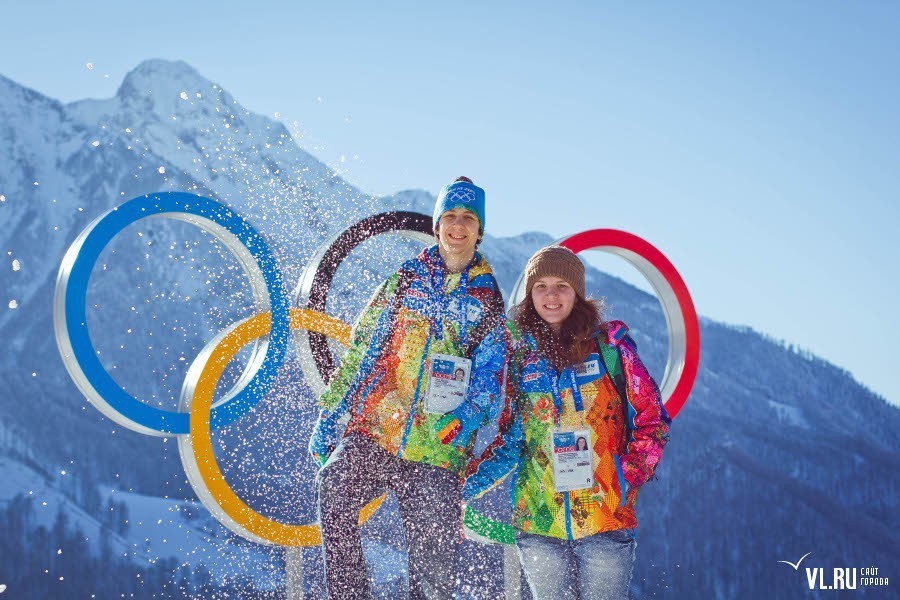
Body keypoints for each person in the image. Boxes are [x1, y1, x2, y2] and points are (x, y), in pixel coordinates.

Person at [309, 176, 508, 599]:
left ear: (479, 230)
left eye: (468, 218)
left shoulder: (488, 299)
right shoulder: (405, 280)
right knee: (334, 485)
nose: (458, 225)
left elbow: (491, 381)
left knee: (433, 582)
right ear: (436, 225)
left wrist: (464, 417)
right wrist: (330, 415)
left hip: (438, 449)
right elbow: (364, 347)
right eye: (450, 216)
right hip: (380, 429)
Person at [463, 245, 670, 600]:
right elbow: (513, 441)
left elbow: (654, 421)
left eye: (561, 285)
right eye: (541, 285)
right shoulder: (521, 357)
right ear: (530, 294)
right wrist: (461, 489)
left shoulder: (610, 349)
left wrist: (625, 475)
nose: (551, 295)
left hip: (605, 520)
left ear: (578, 293)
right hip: (540, 523)